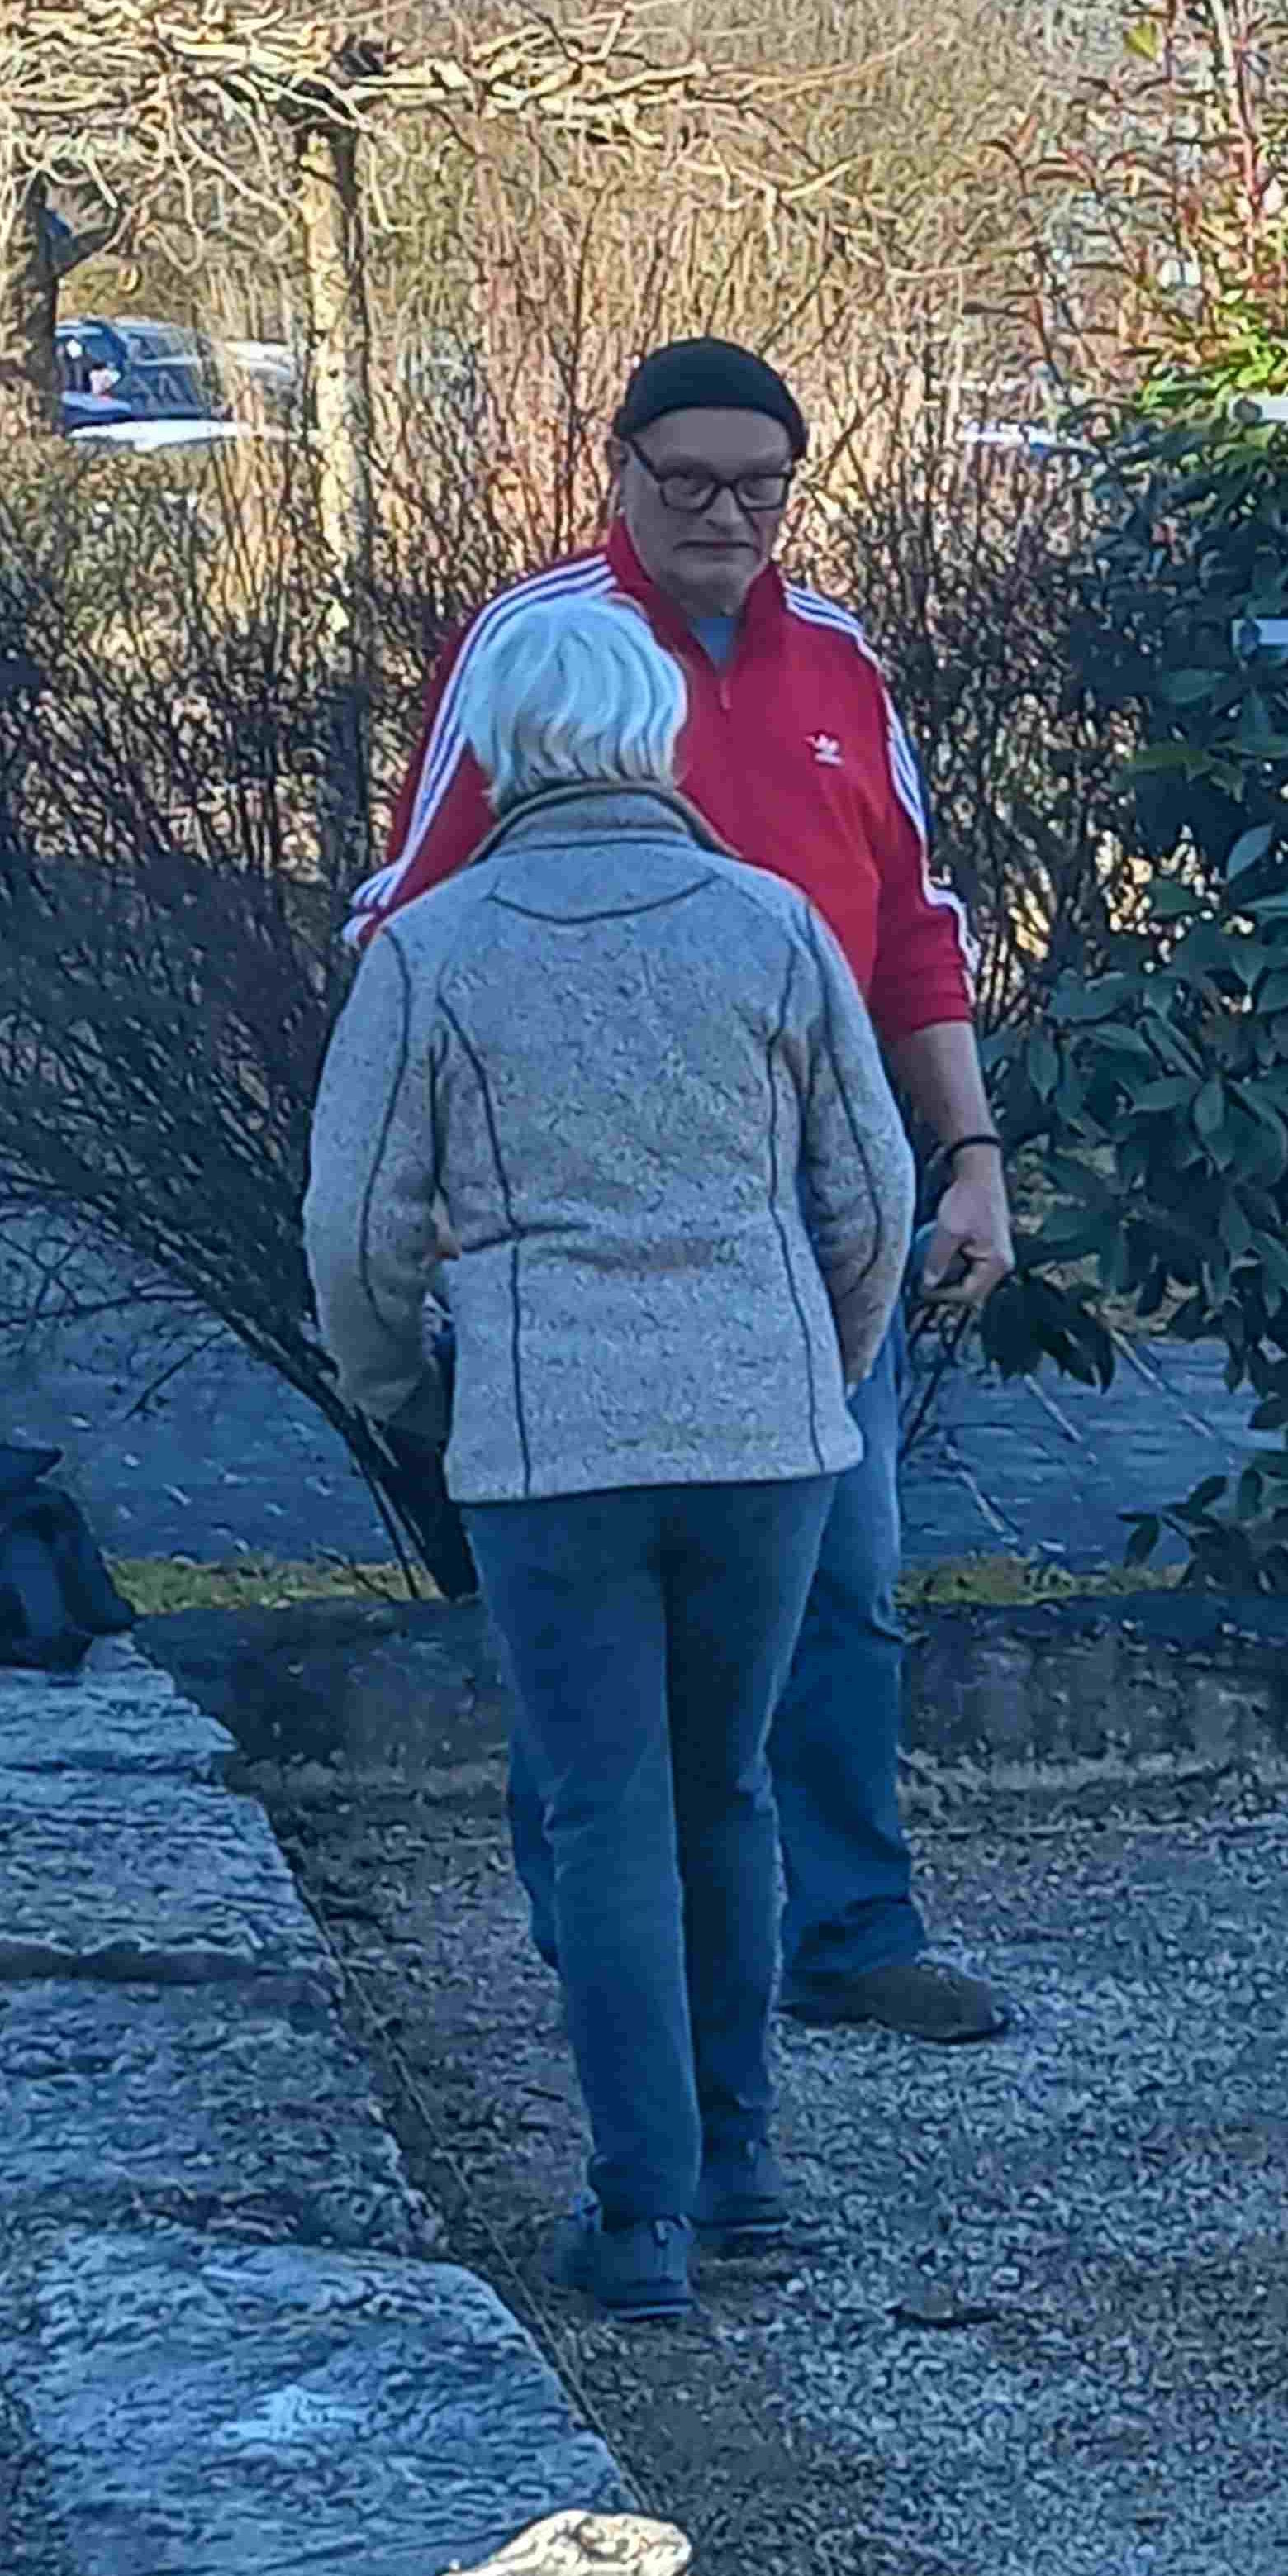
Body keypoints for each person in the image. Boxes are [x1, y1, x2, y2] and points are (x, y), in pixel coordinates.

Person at [345, 338, 1015, 2046]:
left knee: (844, 1579)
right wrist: (422, 1195)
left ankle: (850, 1929)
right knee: (586, 1604)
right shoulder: (544, 647)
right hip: (578, 1209)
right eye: (690, 481)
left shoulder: (841, 661)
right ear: (620, 472)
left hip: (812, 1211)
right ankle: (602, 1945)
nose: (726, 516)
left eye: (760, 487)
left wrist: (971, 1161)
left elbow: (910, 933)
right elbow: (411, 912)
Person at [305, 592, 915, 2316]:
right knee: (727, 1789)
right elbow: (872, 1199)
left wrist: (406, 1395)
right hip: (763, 1431)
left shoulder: (435, 948)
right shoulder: (772, 926)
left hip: (545, 1434)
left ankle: (640, 2213)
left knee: (602, 1810)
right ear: (653, 736)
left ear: (501, 748)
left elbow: (355, 1231)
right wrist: (814, 1373)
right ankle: (742, 2170)